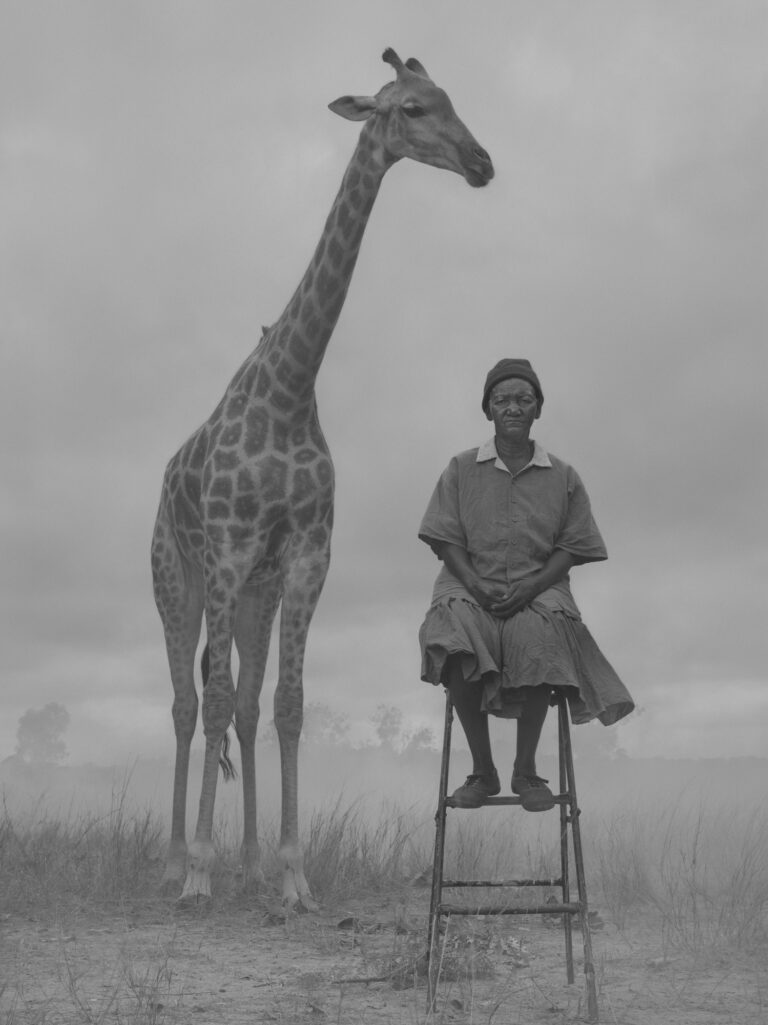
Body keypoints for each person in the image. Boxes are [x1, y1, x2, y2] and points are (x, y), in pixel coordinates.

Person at [418, 358, 634, 811]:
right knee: (451, 632)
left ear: (537, 409)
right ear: (488, 409)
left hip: (542, 584)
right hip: (466, 580)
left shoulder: (563, 475)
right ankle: (483, 772)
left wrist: (533, 586)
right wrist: (475, 584)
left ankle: (526, 771)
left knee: (542, 635)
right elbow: (443, 537)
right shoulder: (460, 468)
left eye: (523, 399)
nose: (512, 408)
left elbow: (573, 545)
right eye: (502, 400)